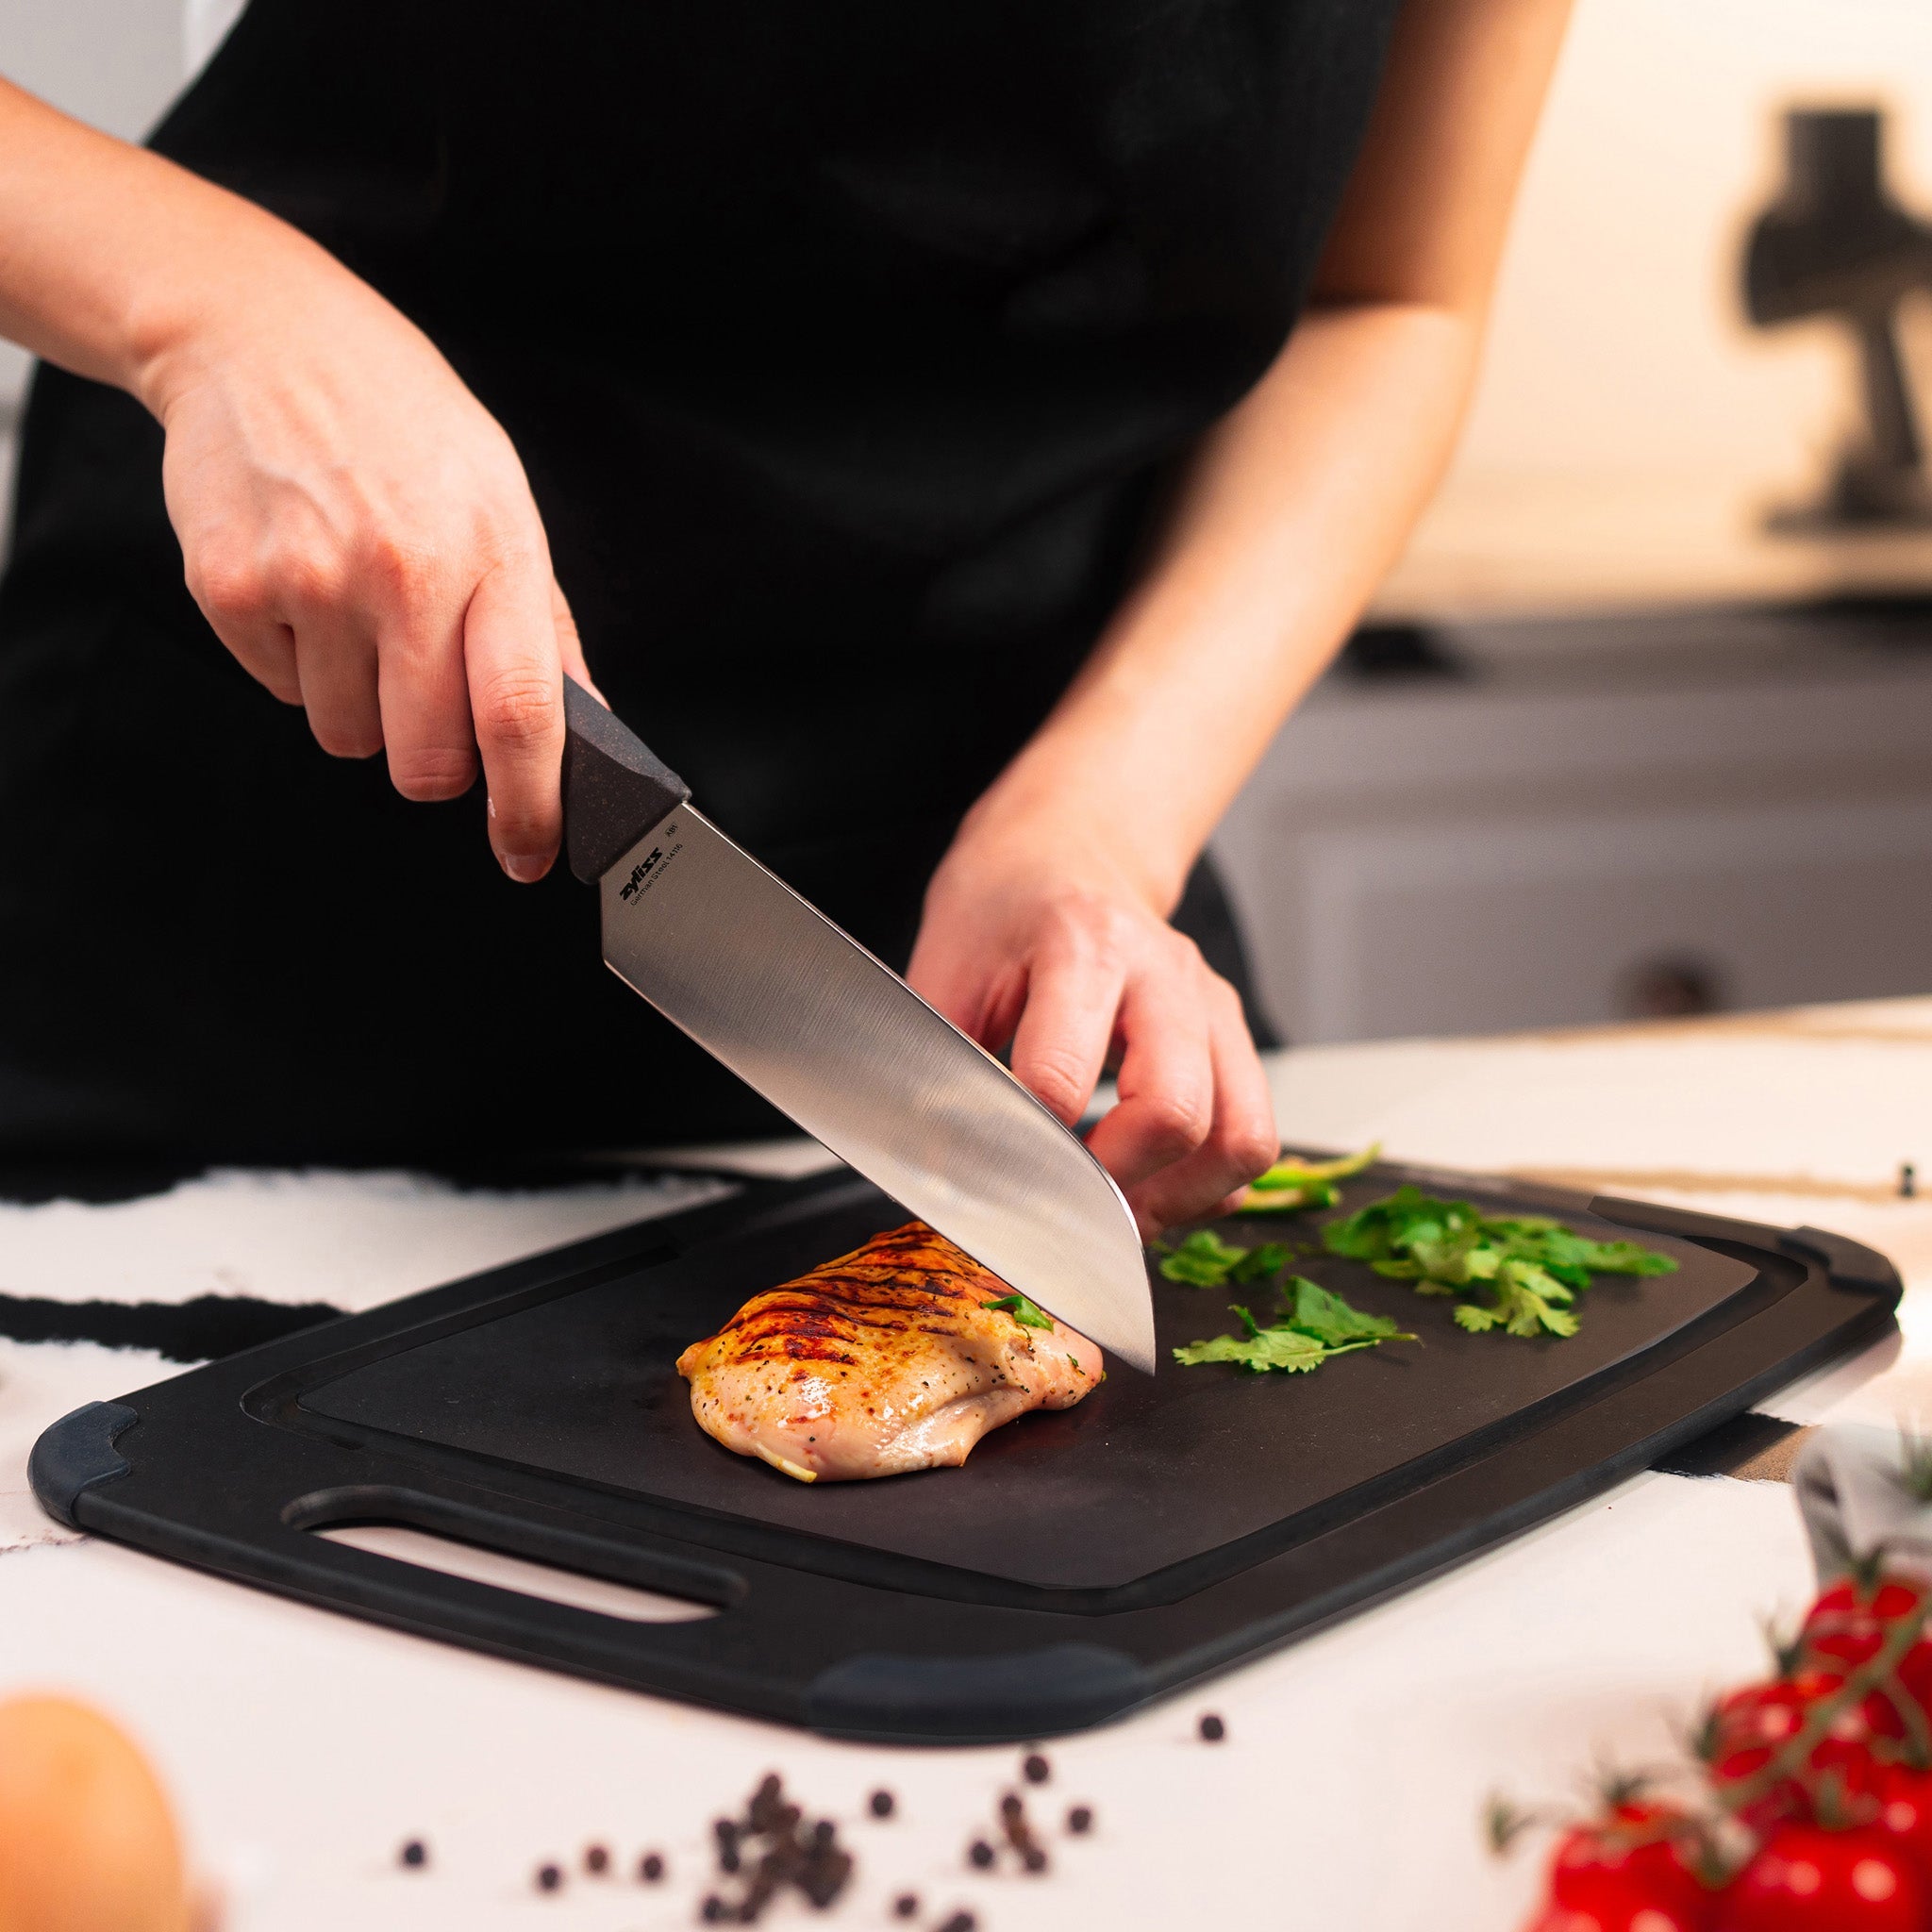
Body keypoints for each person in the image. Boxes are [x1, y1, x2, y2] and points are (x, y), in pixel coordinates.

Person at [0, 0, 1570, 1235]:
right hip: (241, 887)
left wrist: (1099, 821)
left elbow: (1395, 299)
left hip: (977, 895)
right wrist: (218, 309)